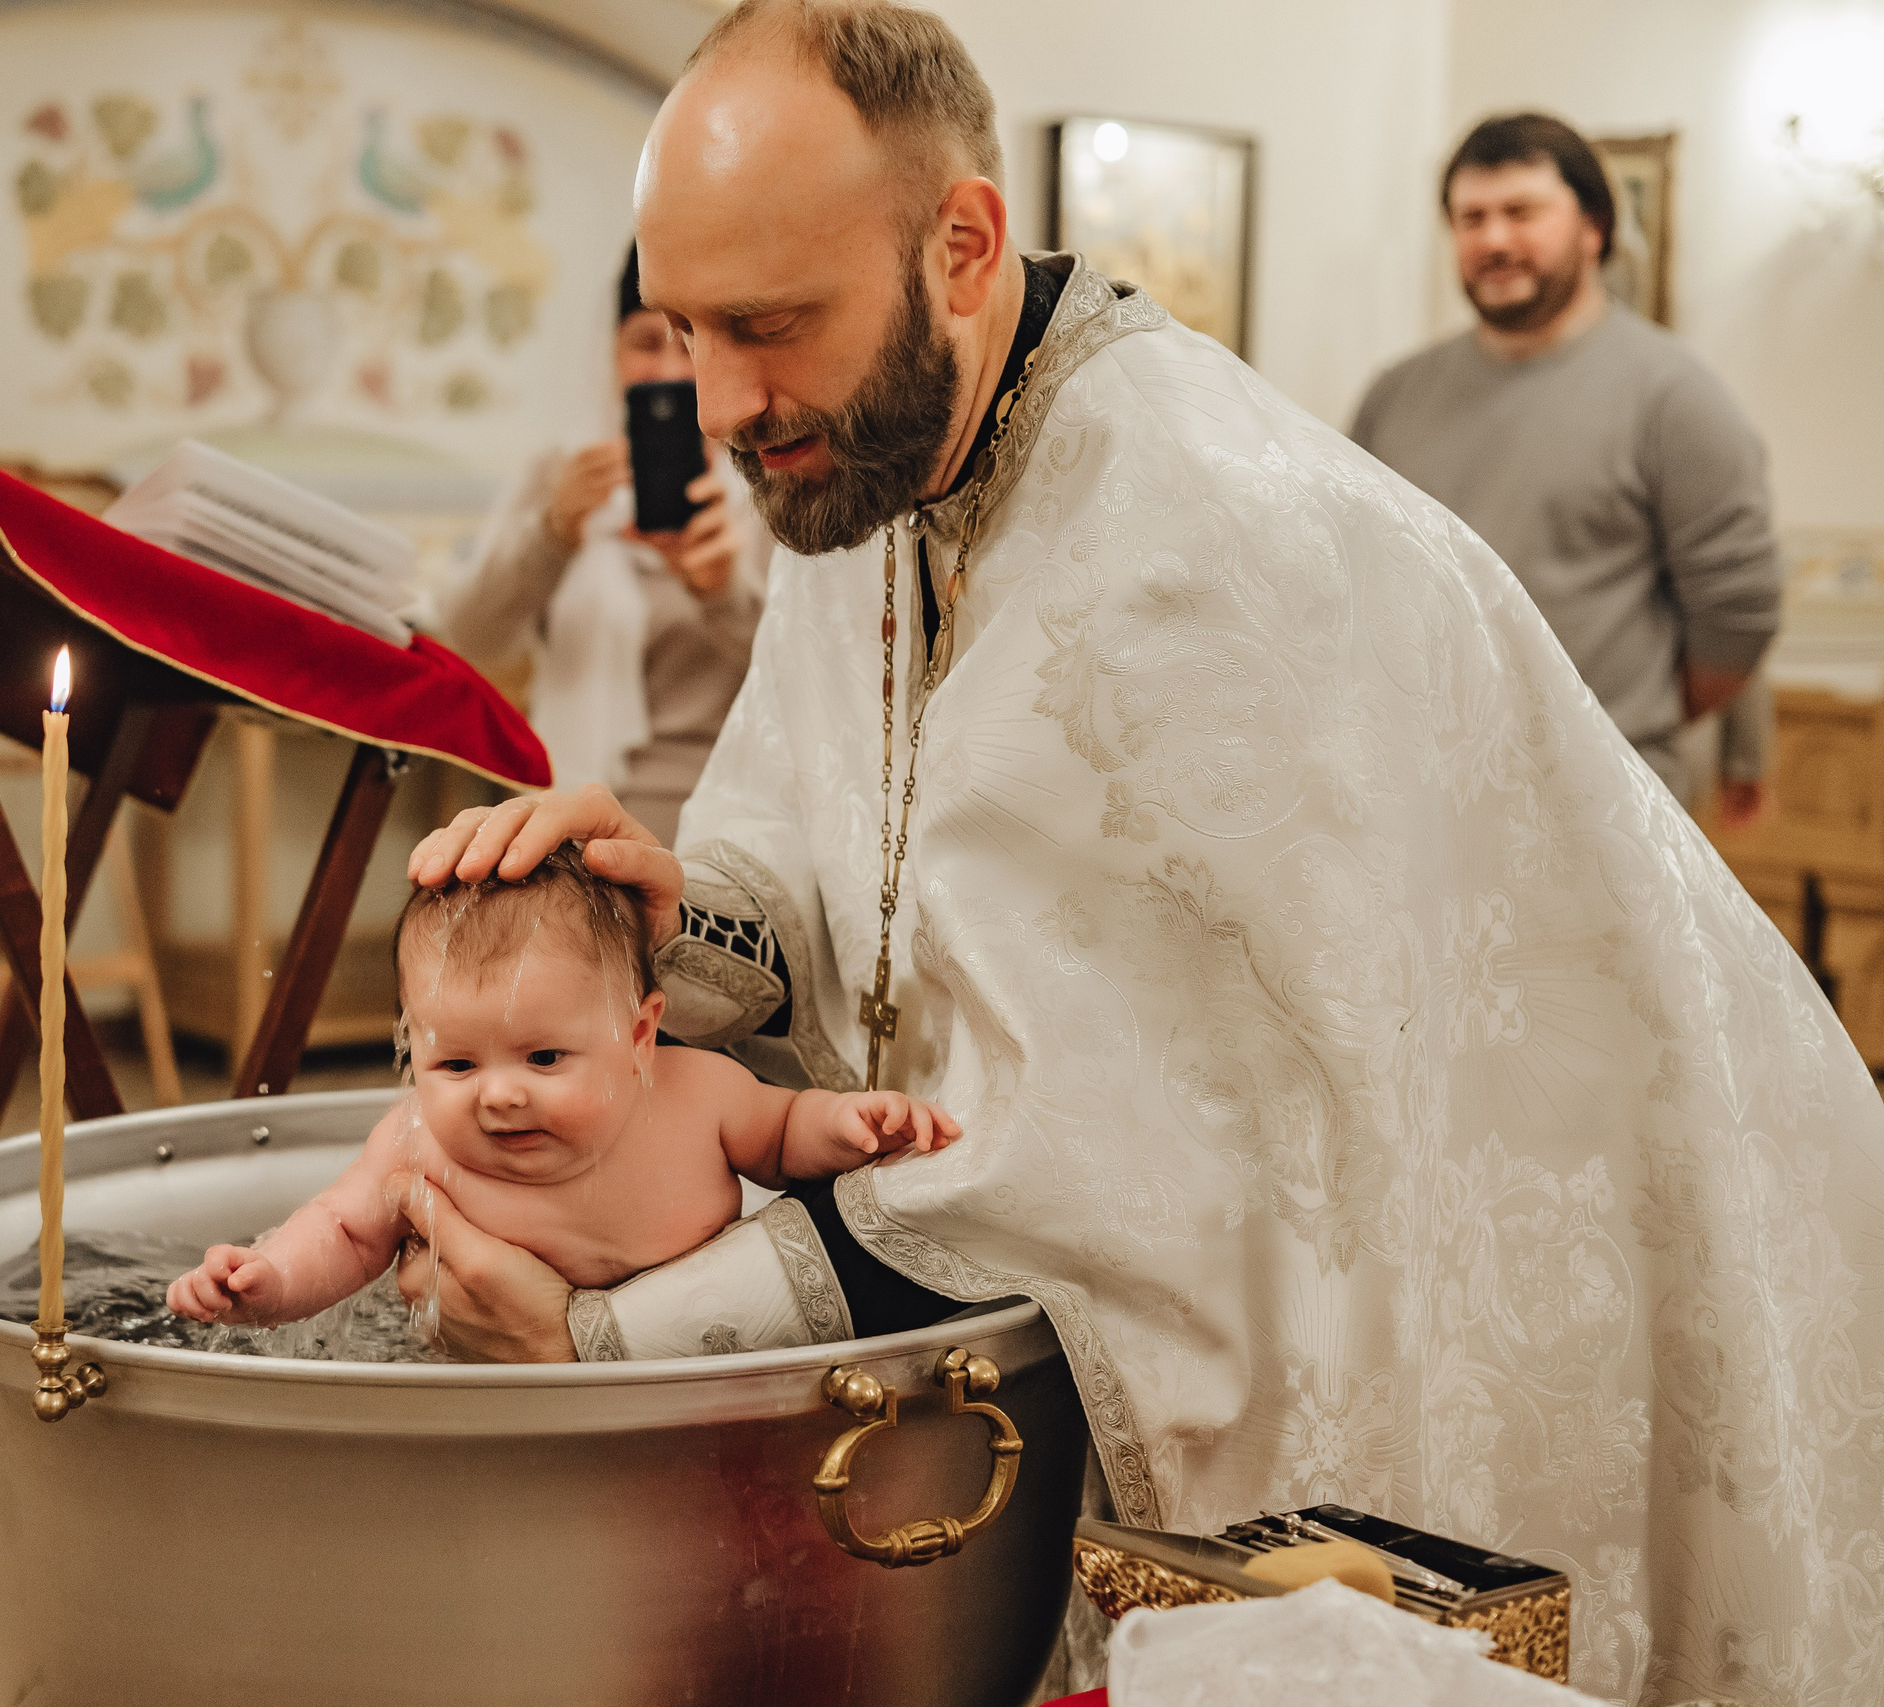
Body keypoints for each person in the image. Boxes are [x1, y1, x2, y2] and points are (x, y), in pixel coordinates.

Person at [391, 4, 1884, 1702]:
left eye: (767, 325)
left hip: (1464, 1302)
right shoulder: (866, 457)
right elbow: (846, 892)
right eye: (680, 328)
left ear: (962, 246)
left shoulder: (1206, 546)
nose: (722, 401)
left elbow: (1119, 1168)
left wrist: (610, 1336)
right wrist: (663, 925)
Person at [166, 849, 956, 1327]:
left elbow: (782, 1136)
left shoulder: (697, 1094)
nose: (498, 1095)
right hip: (498, 1389)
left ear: (640, 1035)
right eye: (456, 1065)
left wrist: (847, 1122)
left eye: (543, 1057)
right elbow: (342, 1230)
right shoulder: (415, 1141)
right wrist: (271, 1279)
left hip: (682, 1366)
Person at [1352, 115, 1781, 801]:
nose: (1494, 240)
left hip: (1607, 798)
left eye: (1522, 212)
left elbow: (1738, 618)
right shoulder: (1394, 394)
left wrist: (1617, 721)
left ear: (1593, 228)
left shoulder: (1676, 396)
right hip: (1421, 787)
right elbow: (1354, 573)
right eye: (1472, 218)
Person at [431, 247, 772, 845]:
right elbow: (467, 638)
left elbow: (803, 681)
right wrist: (552, 534)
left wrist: (723, 594)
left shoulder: (769, 492)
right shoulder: (560, 477)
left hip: (718, 819)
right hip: (562, 814)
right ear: (610, 351)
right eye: (645, 342)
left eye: (689, 345)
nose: (668, 370)